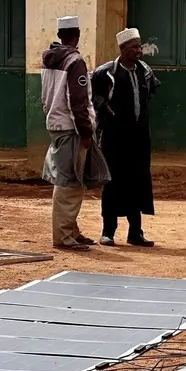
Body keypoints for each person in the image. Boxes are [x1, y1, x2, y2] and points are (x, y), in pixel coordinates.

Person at [41, 16, 110, 252]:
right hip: (71, 129)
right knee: (69, 183)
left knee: (71, 180)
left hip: (56, 124)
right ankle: (63, 235)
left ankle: (71, 230)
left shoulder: (50, 61)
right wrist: (86, 131)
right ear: (78, 34)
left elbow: (46, 97)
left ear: (60, 35)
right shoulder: (75, 61)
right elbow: (78, 102)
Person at [91, 28, 159, 248]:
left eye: (139, 46)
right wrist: (104, 107)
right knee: (113, 183)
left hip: (138, 138)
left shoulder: (145, 71)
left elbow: (151, 90)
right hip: (114, 138)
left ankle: (135, 233)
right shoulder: (105, 72)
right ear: (122, 49)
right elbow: (93, 95)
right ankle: (108, 232)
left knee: (137, 181)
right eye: (134, 47)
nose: (139, 51)